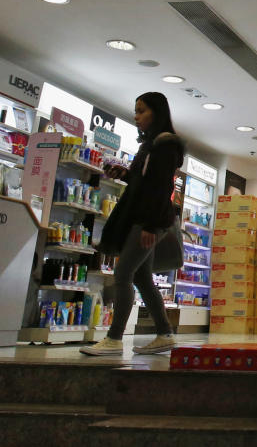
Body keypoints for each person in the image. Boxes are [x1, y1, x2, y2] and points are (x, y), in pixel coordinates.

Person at [81, 91, 185, 356]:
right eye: (136, 111)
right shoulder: (151, 145)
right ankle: (164, 333)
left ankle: (114, 339)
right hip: (144, 217)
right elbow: (145, 182)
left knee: (123, 274)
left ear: (157, 113)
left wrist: (150, 225)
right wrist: (125, 174)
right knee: (140, 277)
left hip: (148, 219)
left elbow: (161, 187)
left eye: (142, 111)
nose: (136, 116)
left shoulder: (165, 144)